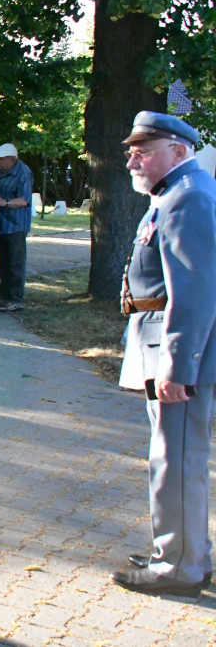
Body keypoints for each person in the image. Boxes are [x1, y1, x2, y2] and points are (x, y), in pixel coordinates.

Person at [112, 111, 216, 599]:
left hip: (175, 351)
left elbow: (195, 291)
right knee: (174, 456)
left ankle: (177, 565)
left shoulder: (188, 196)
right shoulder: (175, 193)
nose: (133, 156)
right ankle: (186, 551)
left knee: (175, 458)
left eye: (144, 148)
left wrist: (179, 364)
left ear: (179, 149)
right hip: (159, 341)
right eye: (132, 148)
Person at [0, 143, 32, 311]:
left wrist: (4, 202)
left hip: (17, 224)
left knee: (16, 263)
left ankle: (16, 299)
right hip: (0, 222)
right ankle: (4, 297)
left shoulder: (23, 173)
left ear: (12, 160)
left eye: (2, 160)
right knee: (3, 262)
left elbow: (24, 200)